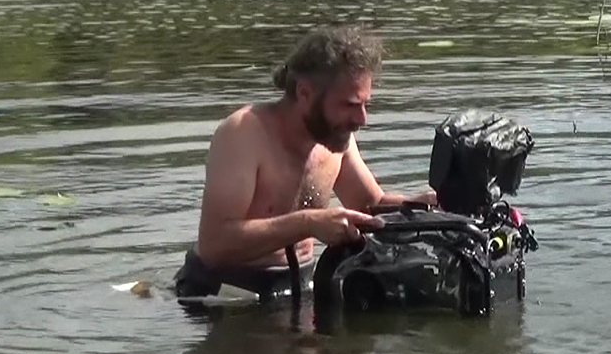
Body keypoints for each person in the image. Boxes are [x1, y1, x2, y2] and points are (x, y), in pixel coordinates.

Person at [174, 24, 437, 301]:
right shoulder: (243, 133)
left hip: (301, 289)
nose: (362, 120)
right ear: (304, 93)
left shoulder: (337, 138)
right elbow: (215, 245)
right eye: (349, 105)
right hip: (222, 300)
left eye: (365, 105)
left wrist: (424, 206)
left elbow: (369, 205)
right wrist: (309, 223)